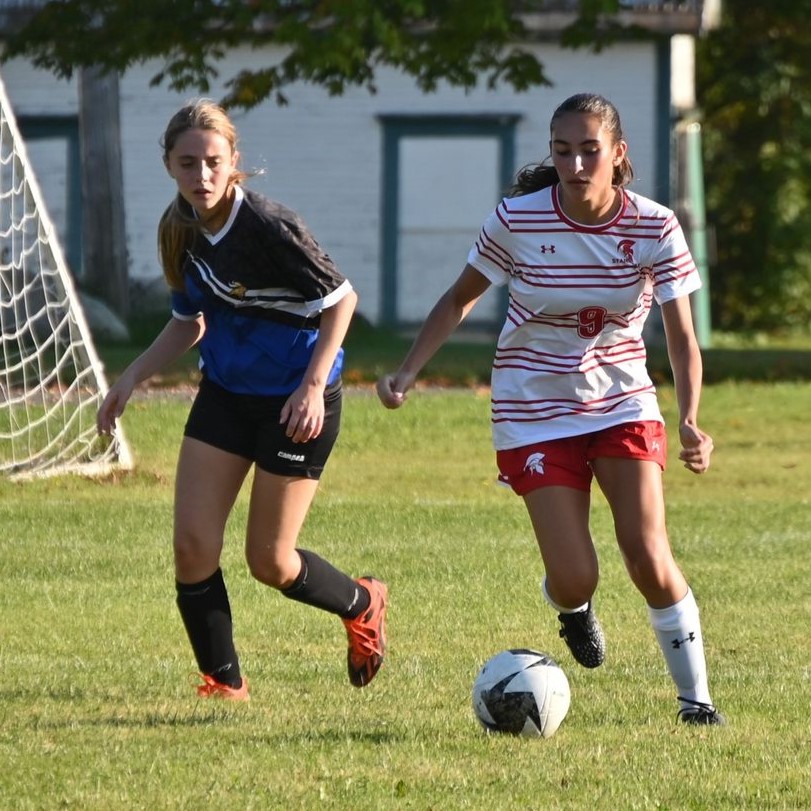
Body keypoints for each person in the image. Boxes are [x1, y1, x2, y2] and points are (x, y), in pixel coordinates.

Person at [377, 93, 724, 725]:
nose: (576, 163)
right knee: (574, 577)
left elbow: (680, 336)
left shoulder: (654, 225)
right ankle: (573, 610)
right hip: (533, 407)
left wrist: (690, 418)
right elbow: (458, 299)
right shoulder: (517, 220)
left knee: (648, 554)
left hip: (621, 401)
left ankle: (696, 702)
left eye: (590, 150)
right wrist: (407, 370)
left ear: (617, 155)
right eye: (563, 151)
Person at [97, 99, 387, 700]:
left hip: (295, 400)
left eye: (212, 161)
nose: (201, 175)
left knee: (270, 562)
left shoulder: (270, 226)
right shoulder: (179, 228)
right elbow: (189, 321)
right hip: (227, 394)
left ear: (234, 162)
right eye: (187, 163)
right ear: (170, 166)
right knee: (192, 544)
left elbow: (342, 301)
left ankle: (362, 602)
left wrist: (312, 387)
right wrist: (131, 378)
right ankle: (223, 684)